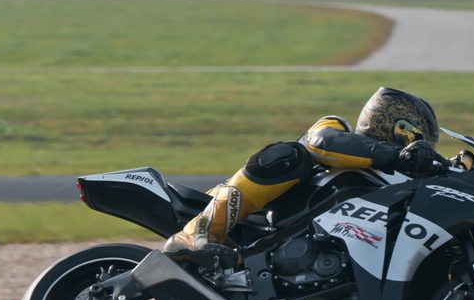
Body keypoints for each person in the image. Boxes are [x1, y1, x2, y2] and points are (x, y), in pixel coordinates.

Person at [163, 87, 447, 265]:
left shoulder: (386, 186)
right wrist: (396, 155)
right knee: (290, 155)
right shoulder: (335, 129)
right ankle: (196, 233)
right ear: (396, 128)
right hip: (245, 217)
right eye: (418, 139)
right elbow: (319, 141)